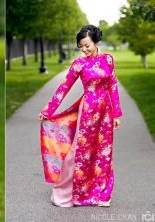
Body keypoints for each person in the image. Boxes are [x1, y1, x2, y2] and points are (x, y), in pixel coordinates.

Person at [39, 25, 122, 207]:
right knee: (82, 153)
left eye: (87, 45)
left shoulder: (108, 59)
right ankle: (76, 193)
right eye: (81, 46)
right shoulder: (79, 63)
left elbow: (113, 86)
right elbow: (64, 87)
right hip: (88, 112)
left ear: (95, 41)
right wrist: (48, 110)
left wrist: (116, 114)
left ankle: (102, 195)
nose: (84, 49)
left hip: (105, 113)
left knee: (104, 153)